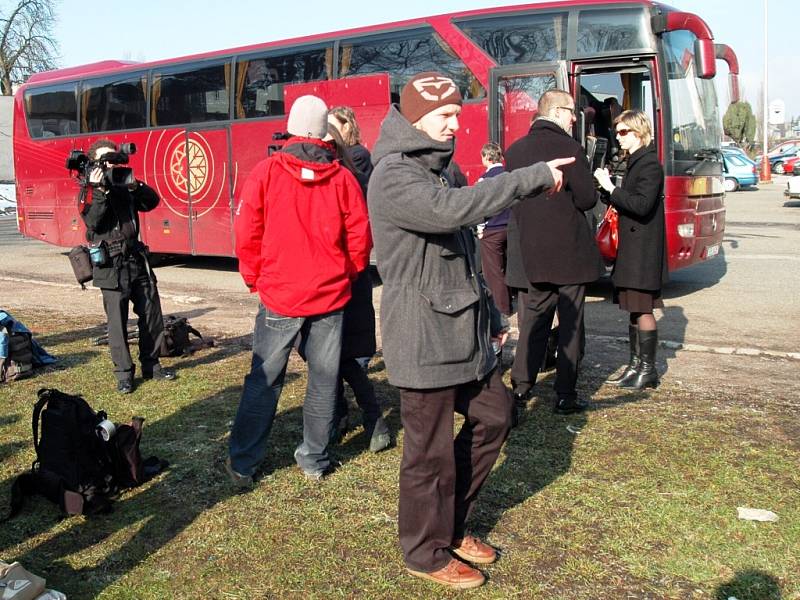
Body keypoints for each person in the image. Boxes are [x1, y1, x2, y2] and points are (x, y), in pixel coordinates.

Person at [368, 71, 574, 589]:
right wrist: (528, 177)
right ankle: (423, 551)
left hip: (462, 333)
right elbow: (450, 213)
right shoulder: (395, 174)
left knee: (497, 413)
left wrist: (490, 317)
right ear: (415, 120)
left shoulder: (443, 168)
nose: (457, 124)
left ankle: (452, 523)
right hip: (422, 337)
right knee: (428, 452)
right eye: (445, 116)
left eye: (458, 114)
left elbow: (463, 256)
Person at [226, 95, 372, 487]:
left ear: (290, 128)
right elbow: (360, 235)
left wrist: (253, 276)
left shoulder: (267, 171)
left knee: (265, 378)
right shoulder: (343, 177)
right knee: (323, 380)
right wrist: (350, 274)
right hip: (330, 295)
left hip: (280, 293)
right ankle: (315, 458)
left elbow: (247, 232)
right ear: (324, 130)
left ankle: (243, 462)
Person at [505, 89, 603, 415]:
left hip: (532, 250)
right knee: (571, 324)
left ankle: (519, 390)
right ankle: (565, 395)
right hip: (569, 251)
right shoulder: (571, 148)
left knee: (533, 323)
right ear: (558, 112)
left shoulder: (515, 151)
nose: (576, 118)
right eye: (572, 111)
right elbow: (588, 199)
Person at [79, 139, 175, 394]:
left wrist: (135, 185)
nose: (109, 164)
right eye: (103, 160)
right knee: (117, 324)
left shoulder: (123, 182)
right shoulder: (89, 189)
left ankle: (152, 365)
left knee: (152, 315)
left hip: (136, 258)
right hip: (110, 264)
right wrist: (99, 189)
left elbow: (151, 201)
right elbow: (93, 222)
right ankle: (124, 374)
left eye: (112, 158)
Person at [323, 123, 391, 453]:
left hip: (339, 282)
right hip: (344, 280)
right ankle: (362, 419)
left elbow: (355, 234)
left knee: (338, 359)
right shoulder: (349, 175)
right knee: (336, 359)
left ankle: (356, 419)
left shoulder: (342, 177)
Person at [594, 109, 668, 389]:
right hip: (633, 249)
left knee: (643, 309)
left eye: (624, 132)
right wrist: (607, 188)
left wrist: (611, 188)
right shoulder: (635, 162)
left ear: (639, 133)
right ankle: (636, 366)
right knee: (634, 310)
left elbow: (641, 205)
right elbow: (626, 201)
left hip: (642, 252)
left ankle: (647, 371)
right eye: (617, 132)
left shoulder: (649, 164)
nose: (618, 137)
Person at [476, 142, 513, 317]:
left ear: (487, 157)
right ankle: (511, 301)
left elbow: (481, 208)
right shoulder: (510, 176)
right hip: (511, 227)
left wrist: (480, 229)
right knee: (508, 267)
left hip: (493, 229)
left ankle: (501, 309)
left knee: (494, 272)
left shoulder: (484, 180)